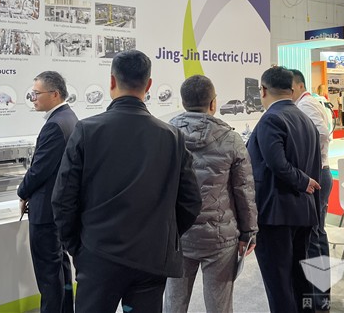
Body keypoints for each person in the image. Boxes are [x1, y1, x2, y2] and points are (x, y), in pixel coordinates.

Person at [52, 50, 202, 313]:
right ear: (149, 85)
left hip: (98, 254)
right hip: (151, 257)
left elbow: (63, 199)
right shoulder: (172, 137)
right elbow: (191, 202)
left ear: (112, 81)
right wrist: (163, 236)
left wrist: (77, 246)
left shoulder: (87, 130)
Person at [164, 75, 258, 313]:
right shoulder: (232, 139)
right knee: (220, 306)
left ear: (183, 102)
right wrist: (249, 232)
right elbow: (244, 190)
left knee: (174, 303)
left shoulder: (166, 135)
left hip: (178, 235)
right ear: (213, 103)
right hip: (220, 238)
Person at [246, 66, 321, 313]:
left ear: (263, 90)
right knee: (299, 279)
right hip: (303, 212)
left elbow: (277, 163)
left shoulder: (271, 119)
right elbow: (315, 167)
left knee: (279, 284)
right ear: (291, 89)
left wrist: (301, 181)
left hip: (276, 214)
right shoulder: (306, 119)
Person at [17, 71, 78, 313]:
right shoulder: (69, 118)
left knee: (48, 274)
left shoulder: (55, 125)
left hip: (46, 211)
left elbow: (39, 169)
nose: (32, 98)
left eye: (36, 93)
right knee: (60, 266)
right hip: (60, 207)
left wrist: (22, 192)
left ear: (54, 94)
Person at [291, 70, 332, 311]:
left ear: (298, 86)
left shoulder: (306, 104)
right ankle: (319, 297)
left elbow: (322, 133)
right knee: (316, 235)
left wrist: (307, 156)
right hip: (319, 172)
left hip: (317, 173)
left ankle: (319, 299)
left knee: (315, 237)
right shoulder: (309, 103)